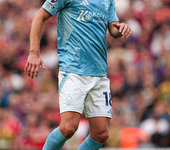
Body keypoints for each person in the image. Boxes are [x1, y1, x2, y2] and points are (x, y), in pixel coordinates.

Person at [24, 0, 131, 149]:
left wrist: (121, 29)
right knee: (68, 127)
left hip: (99, 73)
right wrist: (34, 52)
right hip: (73, 70)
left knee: (101, 134)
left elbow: (113, 29)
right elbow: (39, 16)